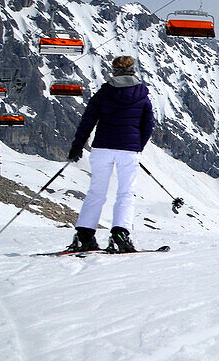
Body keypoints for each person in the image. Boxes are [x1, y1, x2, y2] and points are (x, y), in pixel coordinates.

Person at [65, 55, 155, 253]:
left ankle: (84, 236)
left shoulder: (104, 93)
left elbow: (88, 120)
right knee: (125, 193)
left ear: (113, 71)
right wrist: (136, 146)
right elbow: (148, 126)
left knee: (96, 192)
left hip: (102, 148)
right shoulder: (142, 95)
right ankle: (120, 236)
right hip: (128, 151)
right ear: (133, 71)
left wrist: (77, 146)